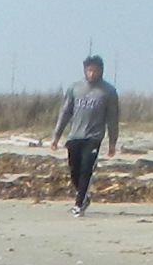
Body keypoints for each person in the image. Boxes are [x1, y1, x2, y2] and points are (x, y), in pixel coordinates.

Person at [51, 56, 121, 213]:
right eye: (89, 70)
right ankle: (83, 196)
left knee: (86, 169)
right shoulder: (75, 88)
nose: (92, 74)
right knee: (74, 170)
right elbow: (65, 112)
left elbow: (113, 118)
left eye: (95, 71)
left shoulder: (108, 92)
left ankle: (79, 204)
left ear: (101, 71)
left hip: (94, 137)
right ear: (84, 70)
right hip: (75, 135)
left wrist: (112, 143)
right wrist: (56, 136)